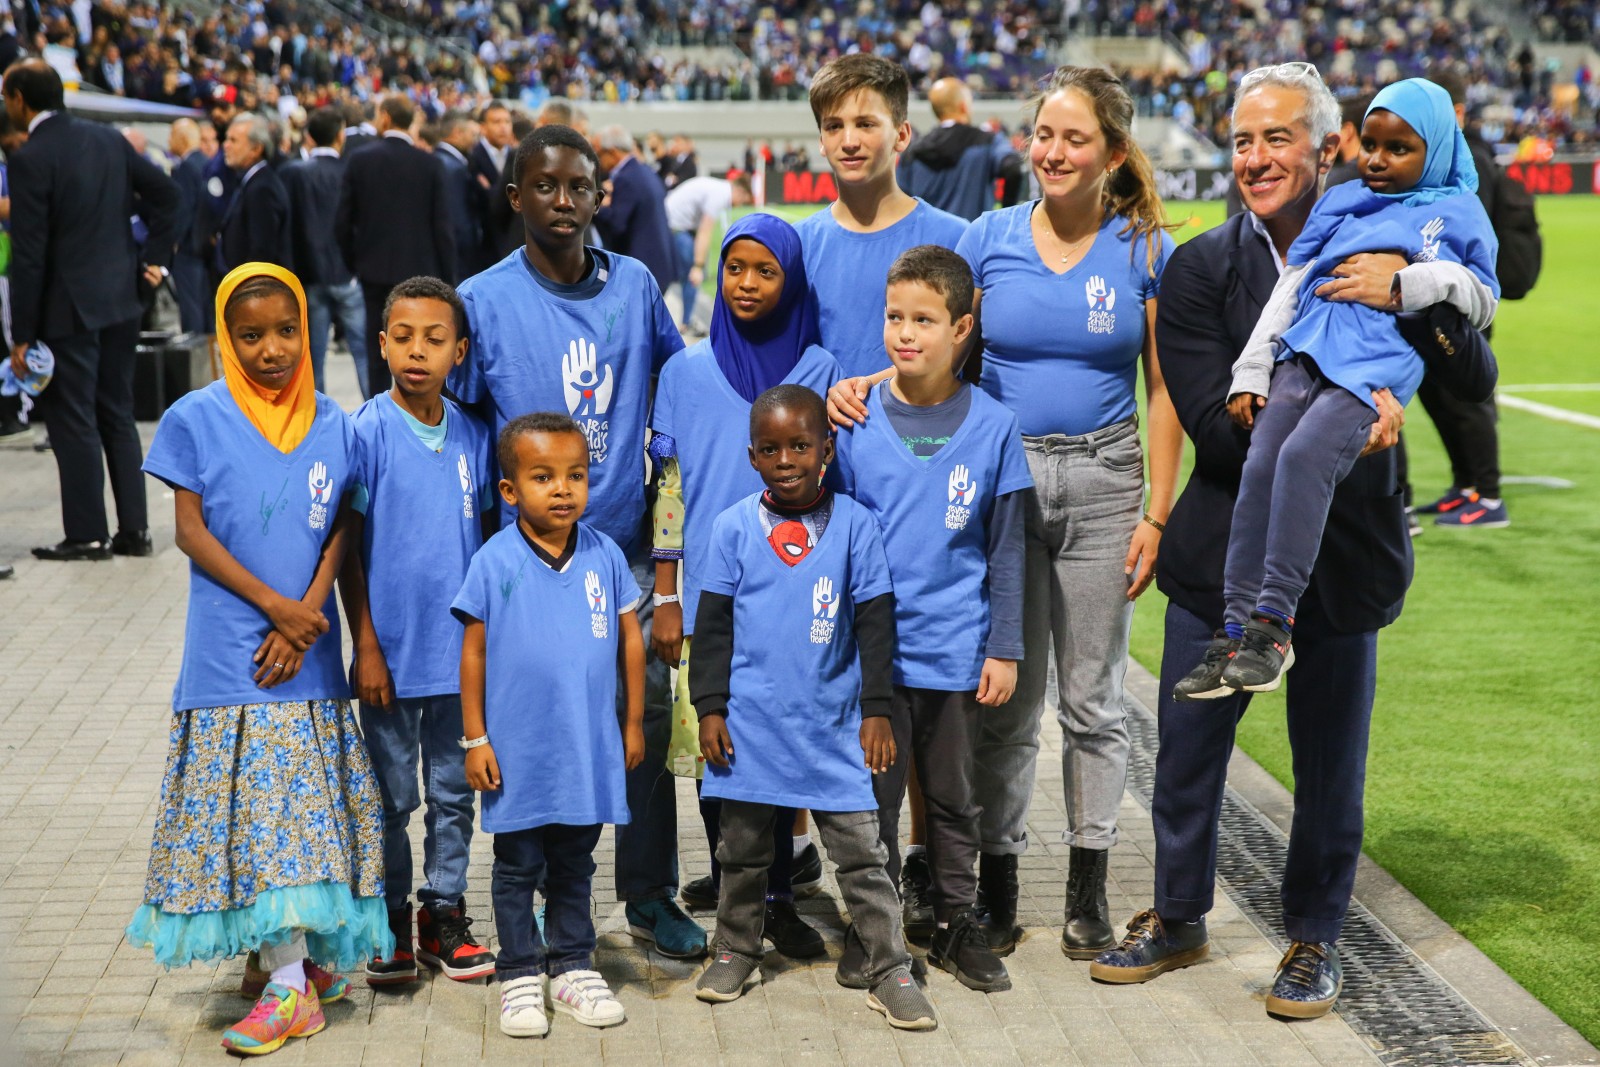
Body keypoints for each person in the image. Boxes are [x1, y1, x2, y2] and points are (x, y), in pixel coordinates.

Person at [1091, 62, 1497, 1021]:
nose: (1254, 158)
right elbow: (1211, 420)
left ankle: (1315, 940)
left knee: (1329, 768)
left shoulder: (1396, 231)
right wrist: (1352, 413)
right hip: (1223, 545)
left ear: (1328, 148)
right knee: (1187, 750)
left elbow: (1474, 379)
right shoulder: (1200, 268)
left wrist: (1408, 292)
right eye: (1241, 141)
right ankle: (1180, 916)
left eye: (1277, 138)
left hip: (1349, 549)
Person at [450, 124, 704, 960]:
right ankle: (525, 903)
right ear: (516, 196)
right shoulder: (482, 300)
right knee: (533, 714)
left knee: (648, 712)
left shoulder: (634, 285)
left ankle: (648, 893)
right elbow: (458, 427)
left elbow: (679, 400)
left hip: (622, 546)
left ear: (603, 196)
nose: (565, 202)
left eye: (580, 188)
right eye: (546, 187)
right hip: (525, 557)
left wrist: (667, 564)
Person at [125, 263, 391, 1056]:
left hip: (304, 656)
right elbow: (191, 533)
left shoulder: (332, 421)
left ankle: (290, 980)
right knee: (256, 815)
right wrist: (276, 608)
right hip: (230, 655)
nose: (272, 348)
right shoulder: (193, 417)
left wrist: (307, 616)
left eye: (286, 331)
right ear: (224, 338)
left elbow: (346, 523)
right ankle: (288, 971)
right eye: (251, 335)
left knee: (291, 815)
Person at [1179, 78, 1498, 696]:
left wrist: (1412, 282)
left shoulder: (1459, 212)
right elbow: (1293, 285)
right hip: (1307, 350)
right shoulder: (1341, 203)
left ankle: (1272, 624)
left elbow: (1481, 305)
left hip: (1372, 371)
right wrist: (1252, 367)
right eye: (1371, 146)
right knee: (1265, 460)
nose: (1377, 159)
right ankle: (1237, 625)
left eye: (1398, 148)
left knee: (1299, 456)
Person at [689, 385, 937, 1033]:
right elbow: (712, 629)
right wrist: (710, 707)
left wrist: (877, 709)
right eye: (771, 448)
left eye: (801, 444)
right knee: (740, 854)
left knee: (862, 856)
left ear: (826, 448)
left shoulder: (856, 526)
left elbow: (877, 623)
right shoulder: (732, 528)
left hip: (835, 729)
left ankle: (889, 966)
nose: (787, 458)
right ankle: (735, 947)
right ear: (752, 456)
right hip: (752, 728)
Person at [830, 244, 1030, 992]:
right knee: (871, 805)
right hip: (874, 664)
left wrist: (1004, 645)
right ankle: (872, 931)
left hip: (954, 653)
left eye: (923, 319)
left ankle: (954, 924)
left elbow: (1007, 550)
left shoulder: (994, 427)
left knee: (952, 799)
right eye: (893, 317)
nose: (904, 333)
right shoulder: (852, 422)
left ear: (962, 328)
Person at [648, 214, 843, 958]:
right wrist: (667, 593)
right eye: (736, 269)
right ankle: (742, 897)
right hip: (707, 600)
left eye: (766, 271)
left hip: (795, 598)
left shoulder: (823, 367)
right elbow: (666, 489)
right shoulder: (684, 372)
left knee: (781, 749)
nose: (748, 284)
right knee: (715, 752)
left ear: (790, 279)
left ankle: (779, 896)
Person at [454, 413, 645, 1037]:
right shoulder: (493, 561)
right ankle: (518, 974)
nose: (562, 489)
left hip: (586, 749)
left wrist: (634, 722)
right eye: (543, 477)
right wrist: (476, 737)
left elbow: (629, 641)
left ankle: (571, 965)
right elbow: (474, 654)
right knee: (516, 867)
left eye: (575, 475)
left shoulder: (605, 555)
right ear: (509, 492)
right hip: (517, 753)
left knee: (575, 862)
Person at [337, 277, 496, 988]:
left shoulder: (475, 436)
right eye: (403, 337)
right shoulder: (364, 432)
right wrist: (365, 642)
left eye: (434, 339)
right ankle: (390, 921)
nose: (417, 351)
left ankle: (444, 912)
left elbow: (489, 546)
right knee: (390, 799)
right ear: (381, 344)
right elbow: (347, 547)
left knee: (454, 797)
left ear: (459, 351)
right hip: (390, 663)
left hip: (458, 661)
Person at [5, 60, 178, 561]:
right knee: (117, 415)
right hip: (123, 299)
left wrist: (22, 332)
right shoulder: (108, 140)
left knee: (72, 418)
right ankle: (135, 531)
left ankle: (86, 535)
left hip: (69, 308)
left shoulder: (31, 157)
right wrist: (154, 261)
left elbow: (30, 253)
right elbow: (167, 195)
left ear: (19, 99)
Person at [796, 55, 969, 380]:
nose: (849, 142)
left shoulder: (956, 239)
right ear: (821, 141)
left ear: (902, 135)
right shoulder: (796, 245)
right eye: (834, 126)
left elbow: (959, 358)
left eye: (865, 124)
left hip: (923, 429)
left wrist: (867, 388)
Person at [1411, 71, 1523, 530]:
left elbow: (1465, 233)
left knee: (1466, 396)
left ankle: (1489, 495)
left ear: (1455, 112)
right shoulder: (1451, 155)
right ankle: (1466, 487)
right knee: (1440, 395)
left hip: (1463, 299)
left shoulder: (1470, 157)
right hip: (1441, 295)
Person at [336, 95, 457, 399]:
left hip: (373, 271)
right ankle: (422, 408)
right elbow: (443, 227)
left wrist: (354, 262)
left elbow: (341, 221)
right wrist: (447, 278)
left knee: (380, 346)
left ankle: (377, 412)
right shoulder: (430, 164)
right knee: (423, 344)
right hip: (421, 276)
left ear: (385, 117)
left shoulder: (360, 160)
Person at [280, 107, 366, 394]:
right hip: (347, 275)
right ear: (340, 135)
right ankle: (380, 417)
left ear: (309, 136)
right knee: (365, 353)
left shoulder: (294, 174)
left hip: (310, 277)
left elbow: (288, 227)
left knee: (313, 358)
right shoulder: (350, 170)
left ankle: (317, 424)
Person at [897, 76, 1024, 221]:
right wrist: (1005, 219)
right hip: (973, 241)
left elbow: (899, 204)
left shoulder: (912, 152)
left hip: (925, 242)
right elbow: (1013, 168)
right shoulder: (988, 141)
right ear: (963, 106)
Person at [592, 123, 677, 295]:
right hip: (659, 265)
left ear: (613, 152)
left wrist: (595, 203)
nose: (597, 160)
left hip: (641, 271)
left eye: (599, 154)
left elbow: (617, 225)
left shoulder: (627, 178)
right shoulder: (644, 171)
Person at [664, 172, 754, 328]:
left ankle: (685, 320)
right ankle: (686, 323)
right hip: (675, 226)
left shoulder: (718, 188)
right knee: (693, 276)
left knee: (685, 275)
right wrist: (698, 266)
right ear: (740, 191)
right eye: (742, 200)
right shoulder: (720, 195)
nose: (739, 204)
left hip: (674, 224)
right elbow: (705, 232)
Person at [217, 113, 292, 274]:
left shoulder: (263, 188)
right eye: (226, 138)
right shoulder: (252, 181)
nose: (225, 145)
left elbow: (262, 252)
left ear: (256, 149)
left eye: (233, 140)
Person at [167, 117, 214, 337]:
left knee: (192, 310)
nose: (168, 140)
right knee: (206, 308)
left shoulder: (185, 168)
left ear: (182, 138)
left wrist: (173, 242)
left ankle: (196, 365)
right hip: (206, 250)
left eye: (171, 134)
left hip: (188, 250)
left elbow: (182, 210)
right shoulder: (208, 163)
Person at [433, 110, 484, 284]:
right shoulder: (453, 167)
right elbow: (458, 219)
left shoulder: (436, 159)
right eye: (472, 134)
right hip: (458, 254)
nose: (475, 140)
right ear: (457, 132)